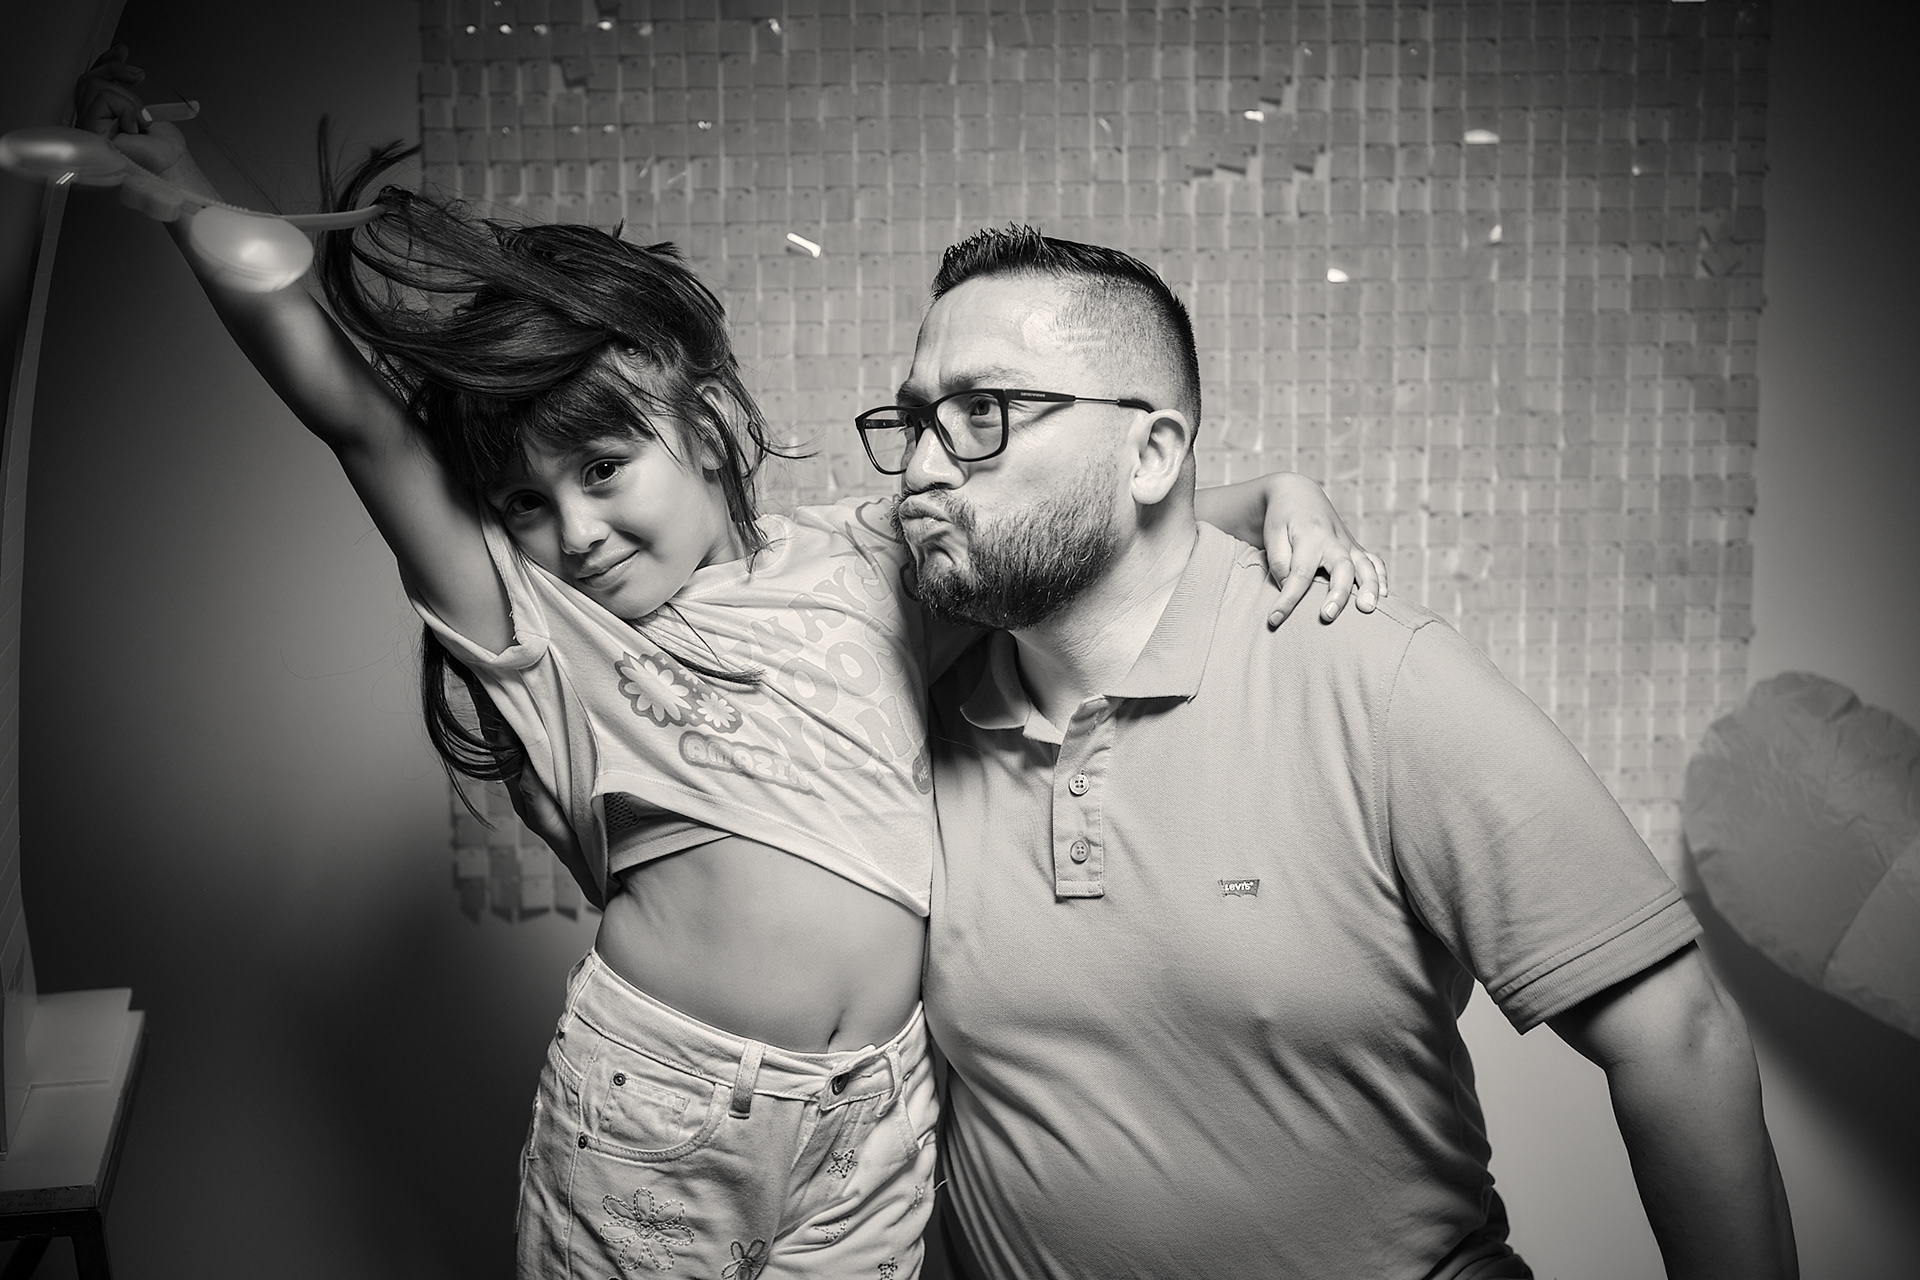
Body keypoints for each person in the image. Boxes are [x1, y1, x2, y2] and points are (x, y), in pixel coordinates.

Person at [74, 54, 1386, 1280]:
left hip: (881, 1115)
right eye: (526, 501)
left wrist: (1283, 495)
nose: (575, 529)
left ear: (703, 422)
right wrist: (189, 192)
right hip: (659, 1114)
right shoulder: (549, 630)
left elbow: (1074, 523)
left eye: (601, 468)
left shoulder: (864, 555)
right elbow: (354, 415)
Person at [871, 227, 1799, 1279]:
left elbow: (1679, 1038)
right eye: (914, 421)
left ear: (1152, 452)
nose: (923, 469)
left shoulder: (1376, 674)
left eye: (982, 413)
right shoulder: (900, 717)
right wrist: (1277, 487)